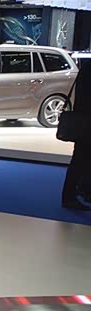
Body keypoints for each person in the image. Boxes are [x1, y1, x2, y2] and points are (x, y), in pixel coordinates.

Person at [62, 63, 91, 210]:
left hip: (83, 120)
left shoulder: (86, 67)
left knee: (80, 159)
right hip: (86, 122)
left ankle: (80, 191)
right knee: (80, 160)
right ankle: (71, 196)